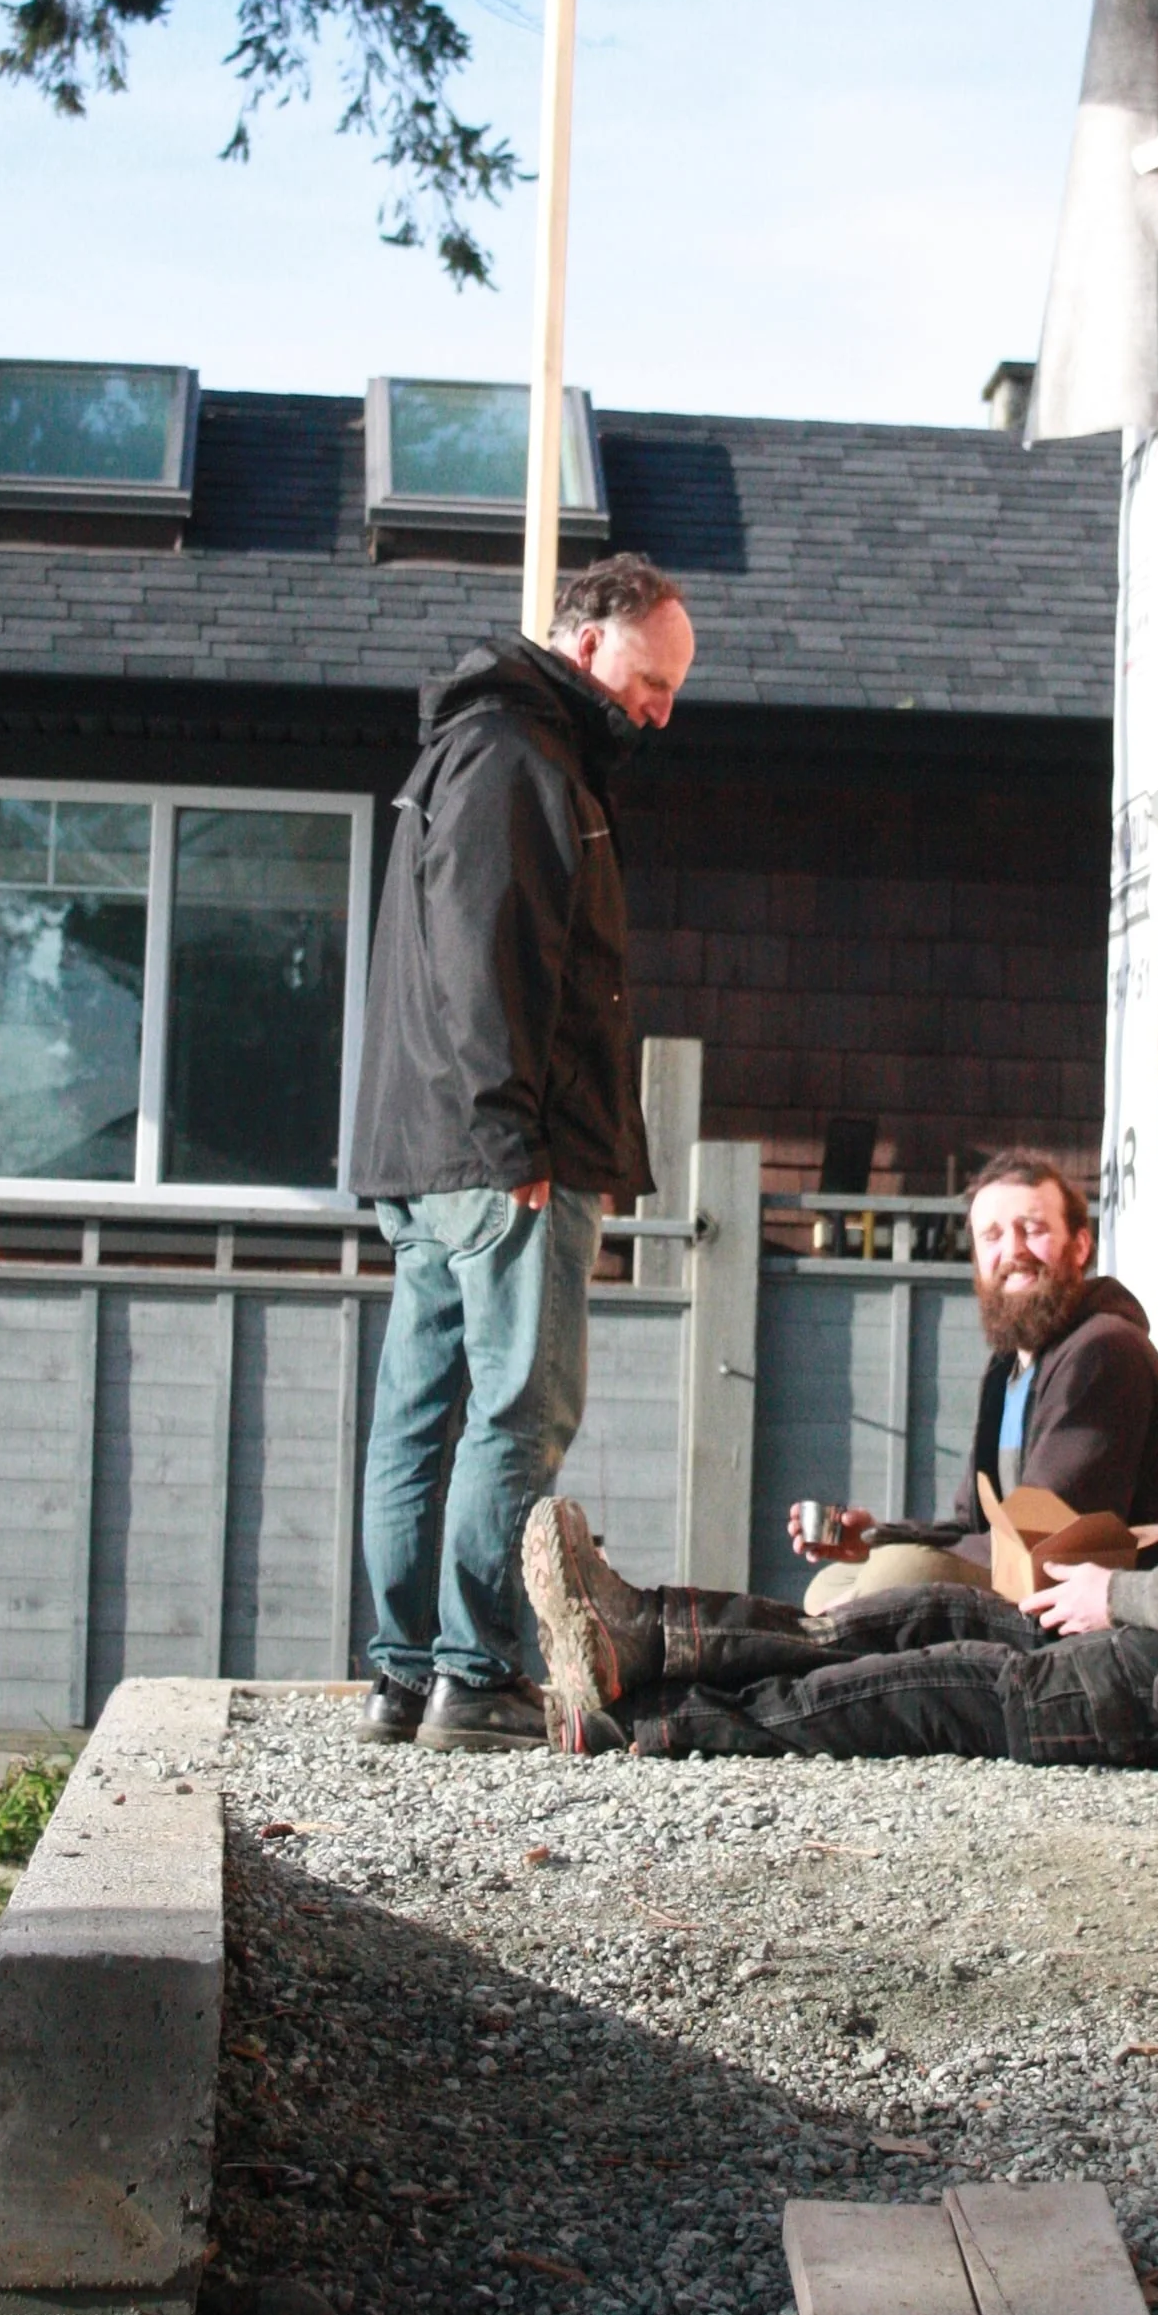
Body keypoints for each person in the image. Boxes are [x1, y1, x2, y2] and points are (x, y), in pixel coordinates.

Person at [522, 1120, 1158, 1768]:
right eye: (992, 1233)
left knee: (958, 1683)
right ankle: (646, 1634)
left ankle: (649, 1720)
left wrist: (1123, 1594)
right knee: (918, 1617)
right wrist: (882, 1534)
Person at [350, 554, 695, 1751]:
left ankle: (404, 1678)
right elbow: (484, 956)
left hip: (425, 1149)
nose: (660, 712)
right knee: (519, 1413)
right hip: (502, 1155)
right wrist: (511, 1134)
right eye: (653, 681)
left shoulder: (479, 745)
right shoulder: (518, 755)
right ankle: (473, 1673)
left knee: (420, 1415)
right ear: (588, 642)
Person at [794, 1152, 1158, 1605]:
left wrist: (896, 1561)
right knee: (832, 1583)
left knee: (899, 1573)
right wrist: (875, 1537)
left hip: (1103, 1599)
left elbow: (1047, 1531)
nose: (1013, 1250)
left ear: (1080, 1247)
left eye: (1033, 1229)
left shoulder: (1104, 1350)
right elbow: (973, 1526)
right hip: (1021, 1570)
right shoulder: (1008, 1368)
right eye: (992, 1236)